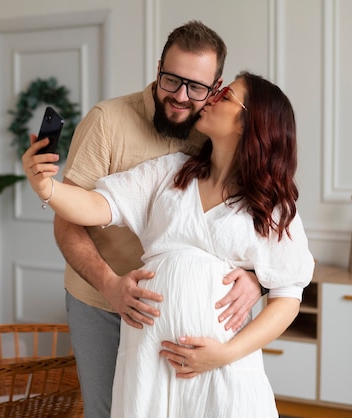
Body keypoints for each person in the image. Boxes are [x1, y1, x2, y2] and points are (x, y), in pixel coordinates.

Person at [23, 71, 315, 417]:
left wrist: (225, 353)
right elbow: (95, 206)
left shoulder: (271, 206)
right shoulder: (170, 173)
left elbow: (287, 298)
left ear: (249, 123)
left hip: (221, 366)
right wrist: (48, 188)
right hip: (148, 358)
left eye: (224, 97)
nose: (208, 99)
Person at [52, 21, 265, 416]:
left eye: (197, 87)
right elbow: (68, 222)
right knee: (108, 410)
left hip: (185, 319)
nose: (182, 96)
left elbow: (262, 226)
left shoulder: (216, 131)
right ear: (158, 70)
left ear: (215, 88)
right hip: (101, 299)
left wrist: (258, 279)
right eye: (172, 80)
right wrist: (111, 286)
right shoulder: (107, 121)